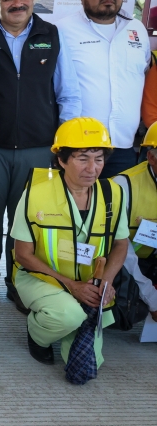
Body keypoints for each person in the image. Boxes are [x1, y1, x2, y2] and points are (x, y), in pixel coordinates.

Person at [0, 0, 82, 312]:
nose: (17, 2)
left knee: (26, 221)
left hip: (38, 147)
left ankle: (18, 281)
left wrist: (63, 146)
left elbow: (68, 93)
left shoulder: (52, 35)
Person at [12, 118, 127, 383]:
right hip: (41, 278)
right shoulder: (35, 194)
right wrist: (71, 286)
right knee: (69, 315)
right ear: (61, 160)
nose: (92, 168)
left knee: (88, 365)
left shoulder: (114, 194)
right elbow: (23, 254)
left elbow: (121, 244)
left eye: (99, 159)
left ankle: (68, 320)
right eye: (82, 158)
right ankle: (37, 332)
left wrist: (105, 282)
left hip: (90, 283)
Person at [57, 0, 151, 178]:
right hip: (78, 147)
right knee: (78, 209)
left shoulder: (136, 30)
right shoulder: (62, 30)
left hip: (124, 146)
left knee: (119, 209)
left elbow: (143, 72)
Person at [112, 122, 157, 320]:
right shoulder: (123, 186)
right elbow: (122, 250)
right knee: (130, 312)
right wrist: (150, 295)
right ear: (151, 157)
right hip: (130, 264)